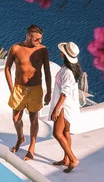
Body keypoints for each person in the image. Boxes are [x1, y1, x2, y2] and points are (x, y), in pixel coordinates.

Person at [5, 24, 51, 161]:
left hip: (36, 89)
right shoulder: (16, 49)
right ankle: (21, 137)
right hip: (19, 89)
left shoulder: (43, 50)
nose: (39, 42)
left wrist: (48, 91)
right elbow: (7, 68)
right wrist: (11, 88)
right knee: (16, 118)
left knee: (33, 119)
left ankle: (32, 147)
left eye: (41, 39)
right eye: (37, 39)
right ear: (29, 36)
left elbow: (47, 72)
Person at [49, 42, 82, 173]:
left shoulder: (68, 72)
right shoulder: (71, 67)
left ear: (65, 54)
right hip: (69, 105)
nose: (60, 52)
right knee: (66, 132)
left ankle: (73, 159)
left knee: (57, 133)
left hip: (64, 106)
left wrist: (56, 110)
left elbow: (64, 93)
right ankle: (66, 159)